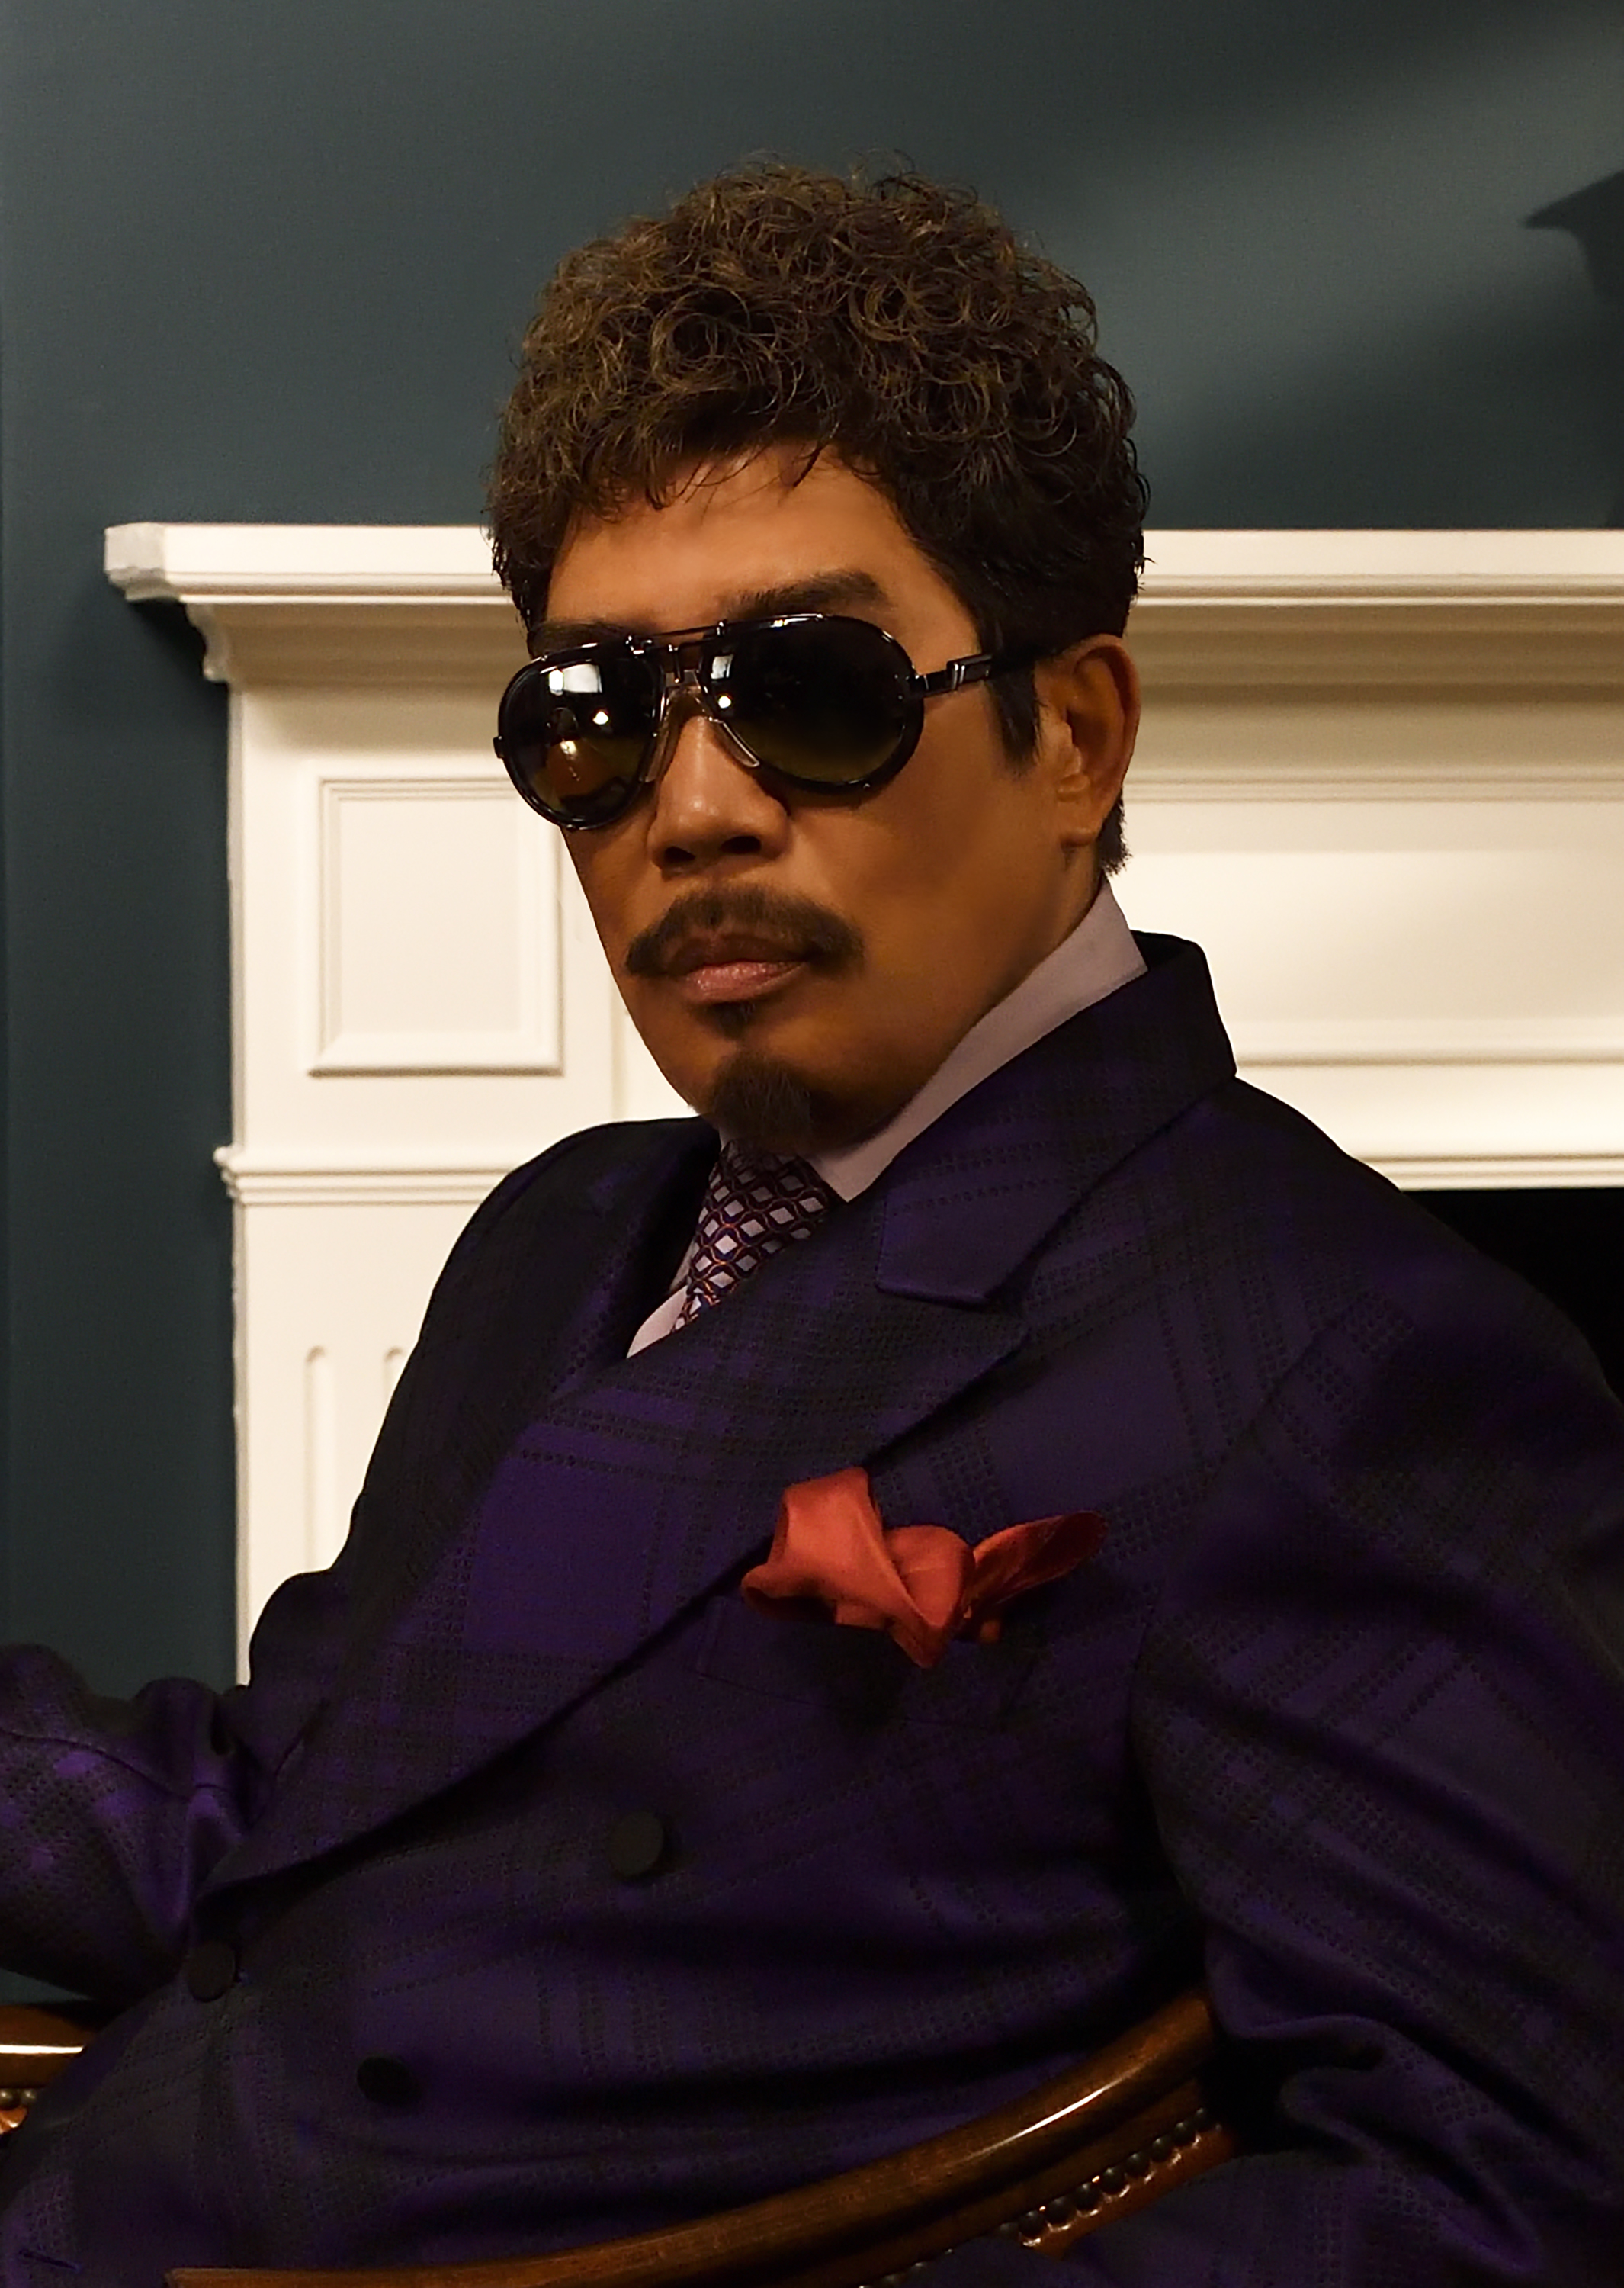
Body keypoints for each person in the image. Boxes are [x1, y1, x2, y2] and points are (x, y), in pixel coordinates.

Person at [1, 165, 1622, 2287]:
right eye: (595, 717)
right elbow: (289, 1830)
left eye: (813, 692)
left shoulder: (1346, 1363)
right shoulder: (563, 1238)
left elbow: (1491, 2203)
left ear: (1075, 736)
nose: (690, 809)